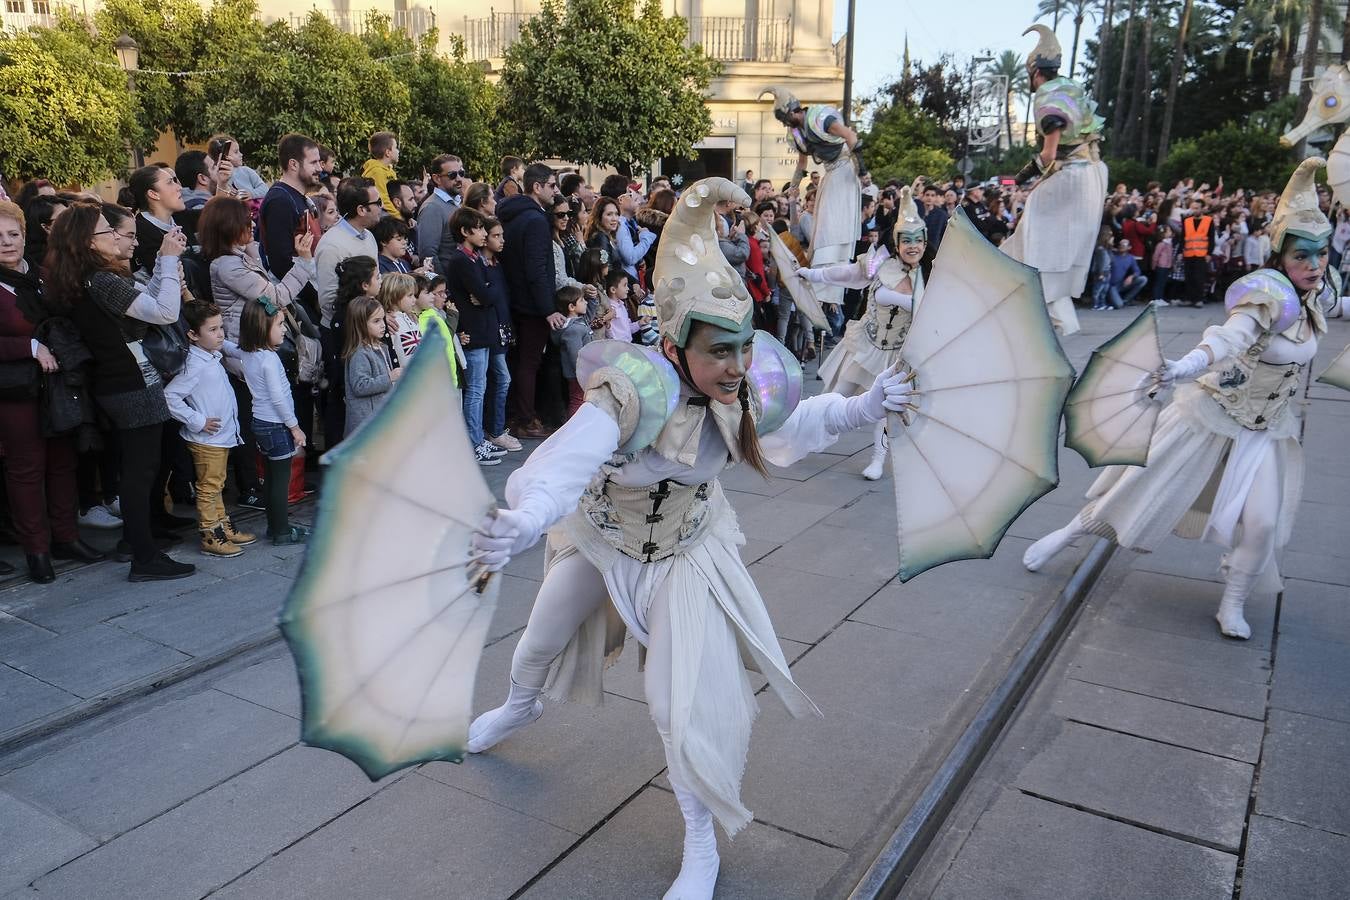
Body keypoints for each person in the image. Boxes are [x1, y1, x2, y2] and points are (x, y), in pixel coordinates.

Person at [467, 178, 914, 900]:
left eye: (742, 347)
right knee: (537, 642)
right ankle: (520, 705)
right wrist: (527, 516)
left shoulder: (746, 390)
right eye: (719, 352)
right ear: (675, 347)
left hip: (685, 552)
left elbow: (801, 423)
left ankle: (700, 844)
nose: (737, 366)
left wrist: (862, 405)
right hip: (605, 535)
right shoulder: (635, 390)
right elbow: (570, 457)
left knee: (679, 706)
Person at [1023, 159, 1350, 641]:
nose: (1314, 265)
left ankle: (1232, 603)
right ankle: (1068, 534)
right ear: (1281, 254)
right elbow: (1226, 340)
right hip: (1213, 412)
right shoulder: (1267, 297)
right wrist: (1181, 366)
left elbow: (1340, 305)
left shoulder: (1317, 294)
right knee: (1137, 490)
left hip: (1264, 430)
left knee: (1261, 524)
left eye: (1321, 255)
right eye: (1303, 255)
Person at [49, 203, 196, 581]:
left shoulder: (88, 278)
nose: (115, 236)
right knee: (138, 471)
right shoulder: (101, 281)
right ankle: (143, 557)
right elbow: (163, 312)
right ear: (87, 241)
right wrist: (165, 261)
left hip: (120, 382)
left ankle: (139, 544)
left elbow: (143, 309)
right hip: (129, 383)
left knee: (139, 467)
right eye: (106, 232)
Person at [0, 200, 98, 582]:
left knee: (62, 462)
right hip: (15, 390)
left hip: (59, 385)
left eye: (13, 235)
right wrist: (30, 348)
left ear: (25, 237)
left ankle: (66, 537)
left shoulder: (43, 276)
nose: (7, 243)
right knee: (26, 470)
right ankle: (36, 550)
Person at [801, 186, 926, 480]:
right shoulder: (879, 263)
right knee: (835, 395)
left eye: (918, 240)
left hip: (899, 353)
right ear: (896, 243)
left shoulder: (930, 274)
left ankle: (878, 459)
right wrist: (813, 274)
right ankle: (805, 433)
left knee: (890, 409)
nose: (913, 246)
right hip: (867, 344)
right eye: (906, 240)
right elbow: (847, 273)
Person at [1000, 25, 1107, 337]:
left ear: (1034, 71)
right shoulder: (1073, 87)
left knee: (1034, 239)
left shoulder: (1047, 94)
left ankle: (1039, 311)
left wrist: (1021, 177)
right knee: (1037, 246)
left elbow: (1048, 154)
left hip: (1076, 177)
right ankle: (1059, 317)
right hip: (1092, 172)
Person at [163, 299, 257, 558]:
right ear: (193, 335)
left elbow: (226, 346)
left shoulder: (209, 356)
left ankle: (222, 526)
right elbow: (170, 397)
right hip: (208, 439)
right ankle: (209, 534)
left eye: (221, 328)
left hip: (219, 437)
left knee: (216, 484)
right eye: (213, 330)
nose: (220, 334)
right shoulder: (194, 364)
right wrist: (197, 421)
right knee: (209, 487)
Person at [762, 86, 862, 307]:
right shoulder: (797, 133)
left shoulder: (819, 117)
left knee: (832, 227)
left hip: (844, 171)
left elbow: (849, 135)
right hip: (831, 173)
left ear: (794, 110)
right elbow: (801, 162)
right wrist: (794, 185)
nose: (786, 124)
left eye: (786, 118)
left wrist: (863, 170)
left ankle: (831, 287)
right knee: (823, 228)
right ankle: (823, 282)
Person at [499, 163, 562, 439]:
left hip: (516, 299)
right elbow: (537, 268)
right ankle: (526, 419)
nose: (556, 191)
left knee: (520, 361)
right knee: (529, 362)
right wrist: (548, 308)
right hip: (532, 304)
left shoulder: (514, 214)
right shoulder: (535, 220)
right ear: (536, 187)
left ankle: (520, 415)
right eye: (551, 185)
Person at [444, 207, 511, 465]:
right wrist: (486, 291)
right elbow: (486, 295)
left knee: (480, 388)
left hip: (483, 330)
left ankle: (477, 438)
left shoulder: (475, 259)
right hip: (472, 332)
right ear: (465, 231)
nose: (484, 233)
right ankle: (473, 442)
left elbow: (492, 291)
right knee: (475, 390)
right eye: (480, 228)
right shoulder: (461, 261)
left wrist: (487, 289)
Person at [239, 297, 307, 545]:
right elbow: (279, 400)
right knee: (280, 481)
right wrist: (295, 427)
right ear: (261, 328)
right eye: (279, 324)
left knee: (270, 477)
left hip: (260, 423)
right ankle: (282, 531)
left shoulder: (249, 353)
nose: (285, 328)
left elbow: (228, 348)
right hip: (276, 425)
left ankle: (274, 525)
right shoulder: (269, 359)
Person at [342, 294, 399, 438]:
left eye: (383, 319)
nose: (383, 325)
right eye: (376, 321)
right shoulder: (360, 353)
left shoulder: (381, 347)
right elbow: (360, 385)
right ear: (361, 324)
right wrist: (389, 377)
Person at [550, 285, 593, 417]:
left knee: (582, 399)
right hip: (578, 374)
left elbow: (590, 314)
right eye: (582, 300)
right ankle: (573, 429)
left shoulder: (579, 323)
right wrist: (583, 372)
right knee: (577, 400)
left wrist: (593, 299)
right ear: (571, 307)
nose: (585, 302)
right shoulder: (573, 330)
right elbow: (576, 355)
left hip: (583, 372)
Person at [417, 154, 466, 263]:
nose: (459, 179)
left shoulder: (458, 203)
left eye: (461, 173)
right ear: (437, 178)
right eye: (452, 175)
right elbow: (427, 255)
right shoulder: (432, 208)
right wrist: (441, 279)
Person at [379, 271, 421, 369]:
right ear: (395, 296)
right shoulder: (389, 324)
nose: (414, 300)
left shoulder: (412, 319)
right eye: (410, 295)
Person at [208, 135, 269, 200]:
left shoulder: (246, 171)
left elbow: (265, 189)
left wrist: (251, 194)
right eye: (236, 152)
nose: (241, 154)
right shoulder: (216, 176)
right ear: (223, 155)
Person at [1181, 197, 1216, 308]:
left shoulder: (1208, 220)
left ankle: (1198, 299)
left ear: (1202, 209)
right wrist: (1181, 251)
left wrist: (1209, 253)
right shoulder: (1186, 221)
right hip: (1188, 253)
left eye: (1196, 208)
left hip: (1202, 254)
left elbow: (1211, 238)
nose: (1194, 210)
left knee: (1199, 277)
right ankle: (1189, 299)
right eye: (1193, 208)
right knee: (1189, 277)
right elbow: (1182, 237)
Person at [360, 131, 402, 219]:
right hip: (383, 216)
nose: (398, 151)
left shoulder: (389, 171)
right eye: (396, 148)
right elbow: (384, 199)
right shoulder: (377, 172)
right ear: (388, 152)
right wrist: (399, 217)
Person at [1106, 238, 1149, 308]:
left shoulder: (1130, 258)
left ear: (1129, 247)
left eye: (1124, 244)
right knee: (1119, 305)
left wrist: (1131, 277)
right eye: (1120, 244)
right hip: (1111, 285)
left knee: (1143, 279)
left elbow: (1137, 271)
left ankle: (1126, 300)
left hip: (1121, 283)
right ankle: (1114, 299)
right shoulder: (1112, 255)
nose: (1121, 246)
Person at [1151, 224, 1175, 306]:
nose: (1170, 233)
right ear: (1163, 233)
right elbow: (1156, 255)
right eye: (1169, 231)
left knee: (1163, 282)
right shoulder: (1161, 244)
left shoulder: (1169, 243)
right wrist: (1154, 265)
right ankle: (1155, 298)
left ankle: (1160, 297)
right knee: (1159, 282)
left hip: (1167, 266)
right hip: (1161, 265)